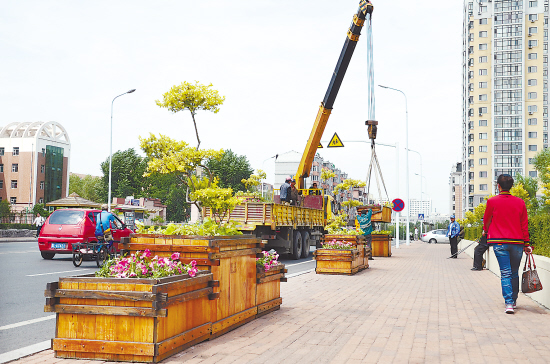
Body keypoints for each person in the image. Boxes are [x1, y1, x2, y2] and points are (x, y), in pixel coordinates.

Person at [483, 174, 532, 314]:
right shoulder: (520, 202)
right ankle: (514, 300)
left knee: (505, 273)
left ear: (498, 186)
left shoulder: (492, 202)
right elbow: (524, 225)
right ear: (512, 186)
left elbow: (486, 220)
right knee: (514, 272)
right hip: (517, 243)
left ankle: (509, 303)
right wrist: (527, 243)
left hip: (499, 242)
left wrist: (485, 230)